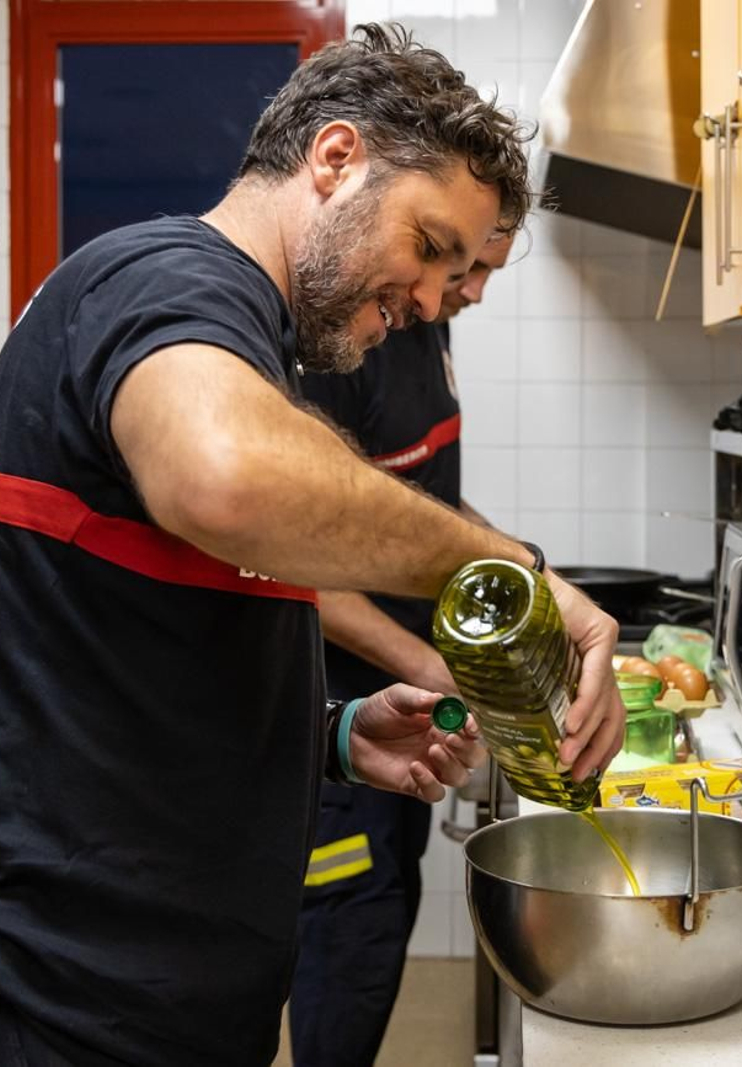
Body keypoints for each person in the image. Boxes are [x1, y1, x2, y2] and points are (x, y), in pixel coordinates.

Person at [0, 25, 623, 1066]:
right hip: (41, 1005)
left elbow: (135, 641)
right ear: (336, 158)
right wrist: (514, 576)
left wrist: (325, 731)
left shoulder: (258, 345)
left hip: (140, 1002)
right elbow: (223, 479)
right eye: (432, 246)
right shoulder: (164, 277)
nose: (437, 297)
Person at [288, 229, 514, 1067]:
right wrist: (427, 664)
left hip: (413, 708)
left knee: (385, 915)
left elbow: (424, 508)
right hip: (343, 723)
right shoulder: (338, 355)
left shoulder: (426, 324)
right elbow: (298, 571)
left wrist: (526, 570)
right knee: (350, 933)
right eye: (471, 267)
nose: (474, 290)